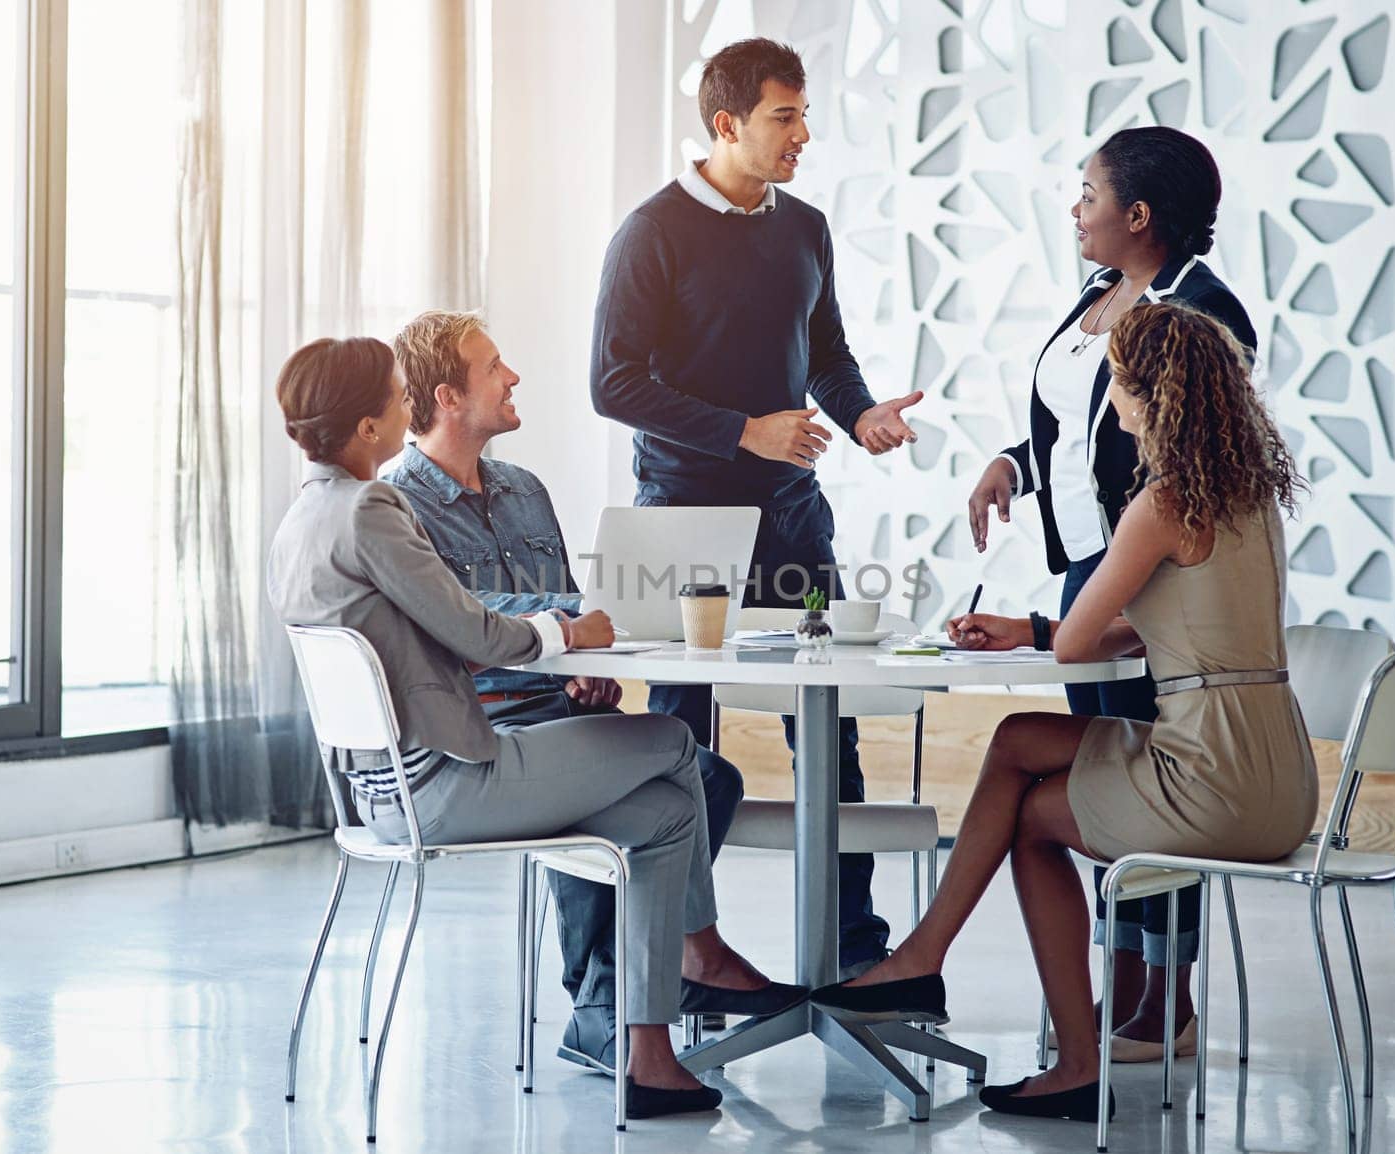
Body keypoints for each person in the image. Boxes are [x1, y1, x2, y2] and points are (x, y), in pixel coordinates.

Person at [266, 336, 805, 1120]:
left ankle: (646, 1053)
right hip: (446, 778)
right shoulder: (374, 506)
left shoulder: (302, 515)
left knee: (667, 811)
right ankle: (700, 952)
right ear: (369, 428)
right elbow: (476, 635)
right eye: (393, 394)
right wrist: (569, 634)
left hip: (379, 791)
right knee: (674, 744)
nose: (405, 403)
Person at [813, 302, 1316, 1124]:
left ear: (1150, 394)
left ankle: (1052, 1047)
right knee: (1018, 740)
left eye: (1117, 385)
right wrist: (1028, 630)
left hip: (1213, 778)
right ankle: (924, 962)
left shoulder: (1160, 505)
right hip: (1277, 774)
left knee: (1031, 818)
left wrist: (1041, 630)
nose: (1110, 403)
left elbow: (1080, 644)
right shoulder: (1246, 497)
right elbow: (1150, 628)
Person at [590, 37, 924, 978]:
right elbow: (612, 384)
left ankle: (857, 955)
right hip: (681, 514)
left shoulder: (805, 226)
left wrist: (859, 416)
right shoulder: (651, 231)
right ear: (727, 124)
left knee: (830, 722)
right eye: (786, 117)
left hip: (792, 516)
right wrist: (745, 431)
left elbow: (825, 353)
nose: (804, 134)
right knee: (676, 739)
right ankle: (681, 956)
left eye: (805, 113)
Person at [381, 308, 750, 1076]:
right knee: (659, 771)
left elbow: (569, 602)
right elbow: (458, 621)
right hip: (482, 731)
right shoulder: (397, 504)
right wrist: (564, 628)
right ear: (448, 397)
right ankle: (616, 998)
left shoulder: (523, 489)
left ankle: (617, 1003)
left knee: (709, 779)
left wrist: (588, 657)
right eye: (494, 367)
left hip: (554, 709)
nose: (513, 376)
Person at [965, 126, 1256, 1060]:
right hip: (1090, 564)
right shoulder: (1098, 295)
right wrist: (1014, 462)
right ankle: (1117, 993)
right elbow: (1065, 423)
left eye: (1088, 193)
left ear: (1139, 214)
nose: (1075, 208)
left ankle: (1160, 1006)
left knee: (1157, 788)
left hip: (1161, 575)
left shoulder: (1203, 314)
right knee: (1109, 782)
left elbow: (1195, 452)